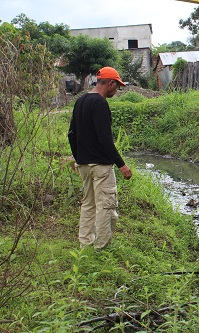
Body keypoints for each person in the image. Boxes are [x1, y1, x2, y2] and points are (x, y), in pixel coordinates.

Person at [68, 66, 132, 250]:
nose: (116, 90)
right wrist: (122, 165)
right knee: (105, 207)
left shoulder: (80, 101)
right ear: (110, 83)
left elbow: (71, 134)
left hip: (84, 164)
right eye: (116, 87)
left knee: (88, 205)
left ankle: (85, 245)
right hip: (101, 166)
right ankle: (101, 249)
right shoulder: (100, 103)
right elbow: (105, 139)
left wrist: (78, 158)